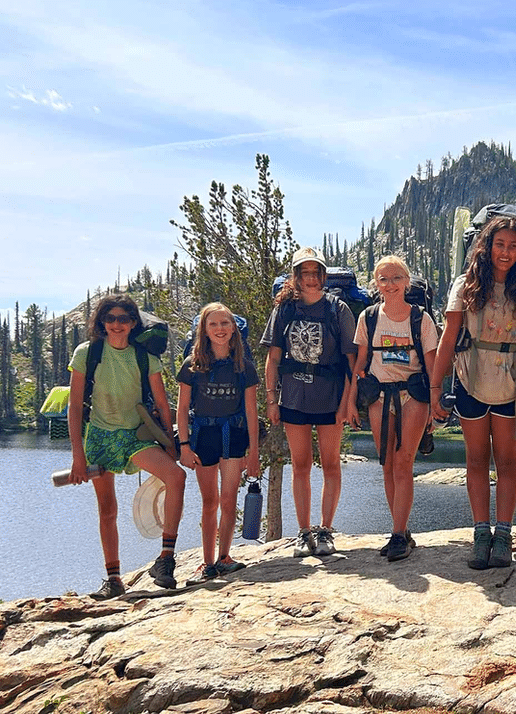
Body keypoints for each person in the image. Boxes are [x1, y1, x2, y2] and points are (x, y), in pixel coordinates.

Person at [430, 215, 516, 569]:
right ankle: (481, 533)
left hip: (511, 384)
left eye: (513, 246)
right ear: (486, 246)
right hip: (469, 378)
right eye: (499, 244)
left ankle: (504, 534)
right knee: (476, 459)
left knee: (508, 461)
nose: (505, 252)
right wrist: (435, 386)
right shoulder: (466, 285)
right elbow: (448, 338)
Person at [67, 294, 187, 599]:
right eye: (110, 319)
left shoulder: (144, 357)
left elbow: (161, 403)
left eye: (123, 319)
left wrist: (171, 447)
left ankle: (166, 560)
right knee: (107, 509)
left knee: (176, 477)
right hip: (99, 437)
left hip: (135, 435)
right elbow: (74, 407)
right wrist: (77, 458)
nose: (117, 324)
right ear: (102, 323)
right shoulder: (87, 353)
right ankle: (113, 578)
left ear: (133, 323)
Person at [261, 246, 357, 557]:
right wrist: (272, 400)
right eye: (305, 273)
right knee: (300, 465)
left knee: (330, 464)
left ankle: (326, 531)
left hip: (330, 397)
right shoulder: (285, 310)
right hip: (293, 397)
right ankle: (304, 533)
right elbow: (273, 359)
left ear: (323, 276)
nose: (311, 278)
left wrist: (348, 400)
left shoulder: (337, 309)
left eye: (316, 272)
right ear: (297, 277)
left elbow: (351, 361)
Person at [347, 256, 438, 562]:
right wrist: (350, 401)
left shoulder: (421, 319)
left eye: (396, 278)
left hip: (412, 396)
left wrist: (435, 405)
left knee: (403, 463)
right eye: (383, 279)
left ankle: (398, 534)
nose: (390, 284)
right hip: (379, 396)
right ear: (376, 284)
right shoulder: (369, 318)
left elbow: (432, 366)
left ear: (407, 282)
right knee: (387, 463)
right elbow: (359, 363)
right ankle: (402, 529)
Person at [176, 303, 260, 583]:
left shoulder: (243, 366)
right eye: (213, 324)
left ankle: (225, 557)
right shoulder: (192, 365)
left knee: (228, 499)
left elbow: (251, 411)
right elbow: (182, 406)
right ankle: (207, 561)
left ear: (234, 328)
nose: (220, 329)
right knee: (209, 501)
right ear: (204, 330)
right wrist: (184, 445)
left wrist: (254, 452)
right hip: (203, 436)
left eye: (225, 323)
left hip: (234, 436)